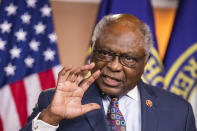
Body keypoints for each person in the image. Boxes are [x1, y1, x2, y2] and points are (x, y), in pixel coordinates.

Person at [20, 14, 196, 131]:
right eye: (105, 53)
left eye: (128, 58)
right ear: (93, 51)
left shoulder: (179, 111)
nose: (114, 66)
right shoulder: (52, 102)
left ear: (146, 62)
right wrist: (50, 118)